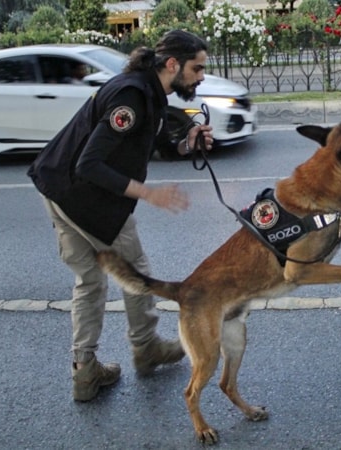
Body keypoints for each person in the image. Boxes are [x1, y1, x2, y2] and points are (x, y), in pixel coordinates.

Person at [27, 30, 214, 402]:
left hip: (56, 189)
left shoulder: (147, 90)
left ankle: (84, 370)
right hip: (86, 199)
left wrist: (185, 143)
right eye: (197, 67)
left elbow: (146, 143)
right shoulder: (132, 97)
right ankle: (146, 349)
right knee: (137, 273)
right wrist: (148, 193)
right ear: (173, 64)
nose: (202, 76)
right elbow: (90, 163)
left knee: (90, 282)